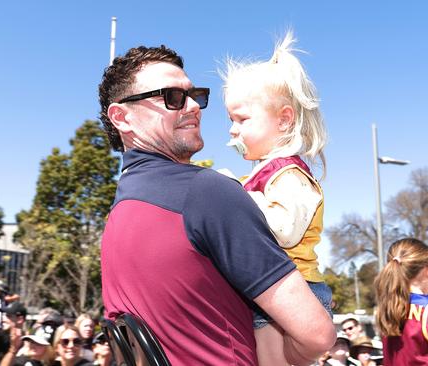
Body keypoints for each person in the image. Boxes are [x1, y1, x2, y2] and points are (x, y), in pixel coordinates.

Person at [98, 44, 334, 365]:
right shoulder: (208, 193)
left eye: (194, 95)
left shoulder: (118, 219)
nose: (194, 106)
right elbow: (317, 334)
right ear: (122, 117)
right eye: (172, 97)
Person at [221, 30, 332, 365]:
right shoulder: (262, 174)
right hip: (278, 287)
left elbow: (284, 228)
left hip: (291, 288)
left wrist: (234, 195)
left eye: (241, 119)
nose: (232, 129)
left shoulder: (289, 174)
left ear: (284, 119)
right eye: (230, 120)